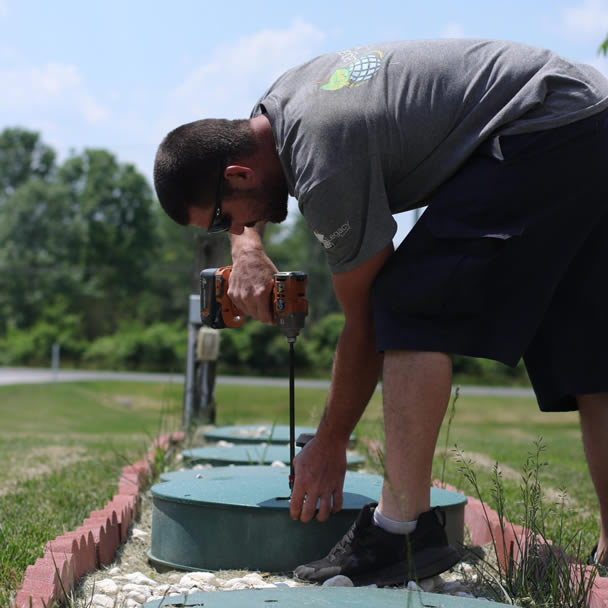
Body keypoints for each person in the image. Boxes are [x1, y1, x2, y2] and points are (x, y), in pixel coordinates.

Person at [153, 39, 608, 586]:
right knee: (587, 346)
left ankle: (401, 533)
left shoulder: (323, 163)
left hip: (543, 123)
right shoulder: (275, 109)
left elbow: (366, 322)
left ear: (240, 176)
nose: (229, 229)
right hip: (584, 115)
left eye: (220, 221)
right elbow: (246, 171)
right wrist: (247, 249)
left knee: (408, 301)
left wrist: (330, 441)